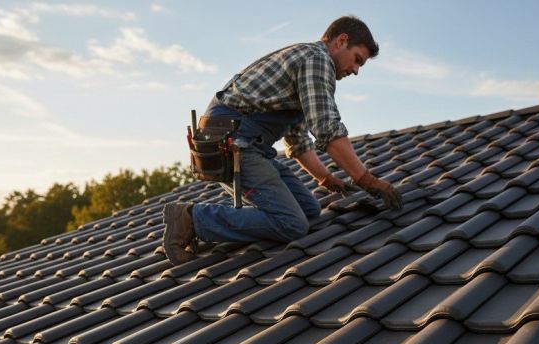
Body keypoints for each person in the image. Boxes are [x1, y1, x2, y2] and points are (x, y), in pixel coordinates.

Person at [163, 15, 403, 265]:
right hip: (233, 142)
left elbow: (297, 141)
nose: (355, 71)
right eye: (357, 60)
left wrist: (326, 178)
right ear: (341, 41)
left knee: (310, 211)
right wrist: (366, 179)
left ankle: (215, 219)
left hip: (243, 142)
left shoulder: (305, 63)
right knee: (291, 223)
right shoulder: (317, 60)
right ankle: (191, 218)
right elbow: (327, 129)